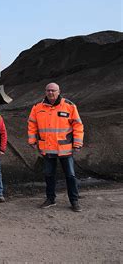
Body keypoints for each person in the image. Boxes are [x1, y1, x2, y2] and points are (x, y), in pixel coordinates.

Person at [28, 83, 84, 212]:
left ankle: (74, 201)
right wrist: (32, 140)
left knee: (70, 175)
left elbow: (78, 125)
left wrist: (78, 143)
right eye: (48, 90)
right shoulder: (37, 107)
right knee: (49, 175)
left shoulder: (69, 106)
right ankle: (50, 199)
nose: (50, 93)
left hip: (65, 149)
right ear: (45, 92)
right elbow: (32, 124)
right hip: (47, 148)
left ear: (59, 91)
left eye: (53, 90)